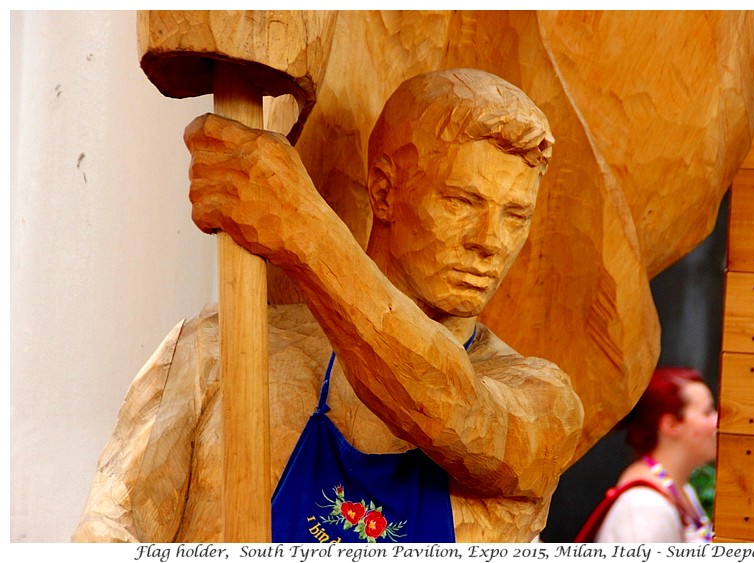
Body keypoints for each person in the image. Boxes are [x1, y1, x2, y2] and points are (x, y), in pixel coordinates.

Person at [73, 68, 584, 543]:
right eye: (460, 202)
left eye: (516, 216)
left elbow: (453, 411)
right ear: (384, 193)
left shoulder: (542, 403)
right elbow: (107, 533)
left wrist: (304, 231)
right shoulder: (218, 352)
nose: (490, 241)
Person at [576, 366, 716, 543]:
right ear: (671, 425)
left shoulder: (683, 490)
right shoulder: (644, 507)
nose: (717, 421)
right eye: (707, 412)